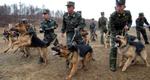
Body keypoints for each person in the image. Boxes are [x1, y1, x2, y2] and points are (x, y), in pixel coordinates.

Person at [108, 0, 132, 72]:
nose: (118, 8)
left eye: (120, 6)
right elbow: (111, 28)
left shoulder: (128, 13)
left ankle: (128, 59)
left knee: (127, 45)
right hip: (115, 33)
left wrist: (128, 26)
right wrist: (117, 37)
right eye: (117, 6)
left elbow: (130, 21)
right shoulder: (113, 15)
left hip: (124, 32)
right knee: (114, 47)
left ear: (124, 7)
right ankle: (112, 65)